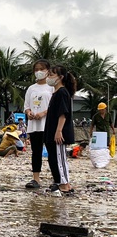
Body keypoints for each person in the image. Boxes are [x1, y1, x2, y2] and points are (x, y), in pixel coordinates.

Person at [44, 65, 77, 194]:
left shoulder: (62, 92)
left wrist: (59, 131)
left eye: (52, 75)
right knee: (53, 157)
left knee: (60, 157)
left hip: (59, 132)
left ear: (60, 77)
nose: (49, 77)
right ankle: (59, 182)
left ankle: (65, 184)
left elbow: (63, 114)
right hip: (51, 131)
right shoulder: (55, 93)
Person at [24, 59, 54, 189]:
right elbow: (26, 105)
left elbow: (54, 105)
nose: (39, 72)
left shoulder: (51, 87)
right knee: (36, 152)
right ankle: (36, 178)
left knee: (52, 152)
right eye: (36, 69)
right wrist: (29, 112)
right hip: (33, 125)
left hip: (47, 124)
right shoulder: (31, 88)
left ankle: (56, 178)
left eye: (41, 69)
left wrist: (43, 113)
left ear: (48, 70)